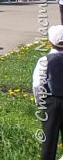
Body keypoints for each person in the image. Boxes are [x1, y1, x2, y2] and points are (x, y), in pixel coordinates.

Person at [32, 25, 63, 160]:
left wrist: (39, 100)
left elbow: (38, 84)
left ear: (50, 42)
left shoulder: (45, 61)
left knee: (49, 135)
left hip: (52, 101)